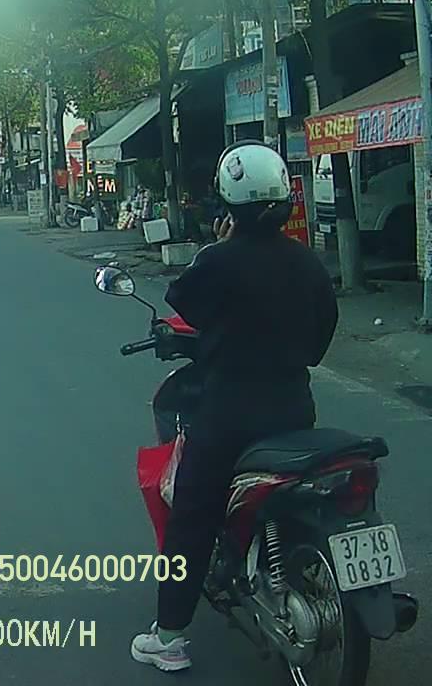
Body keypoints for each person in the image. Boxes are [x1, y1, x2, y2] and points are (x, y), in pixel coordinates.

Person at [130, 141, 339, 672]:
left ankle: (169, 636)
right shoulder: (308, 262)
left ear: (227, 203)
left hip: (228, 414)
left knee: (193, 515)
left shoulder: (219, 260)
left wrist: (217, 247)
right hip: (294, 409)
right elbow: (319, 342)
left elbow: (186, 303)